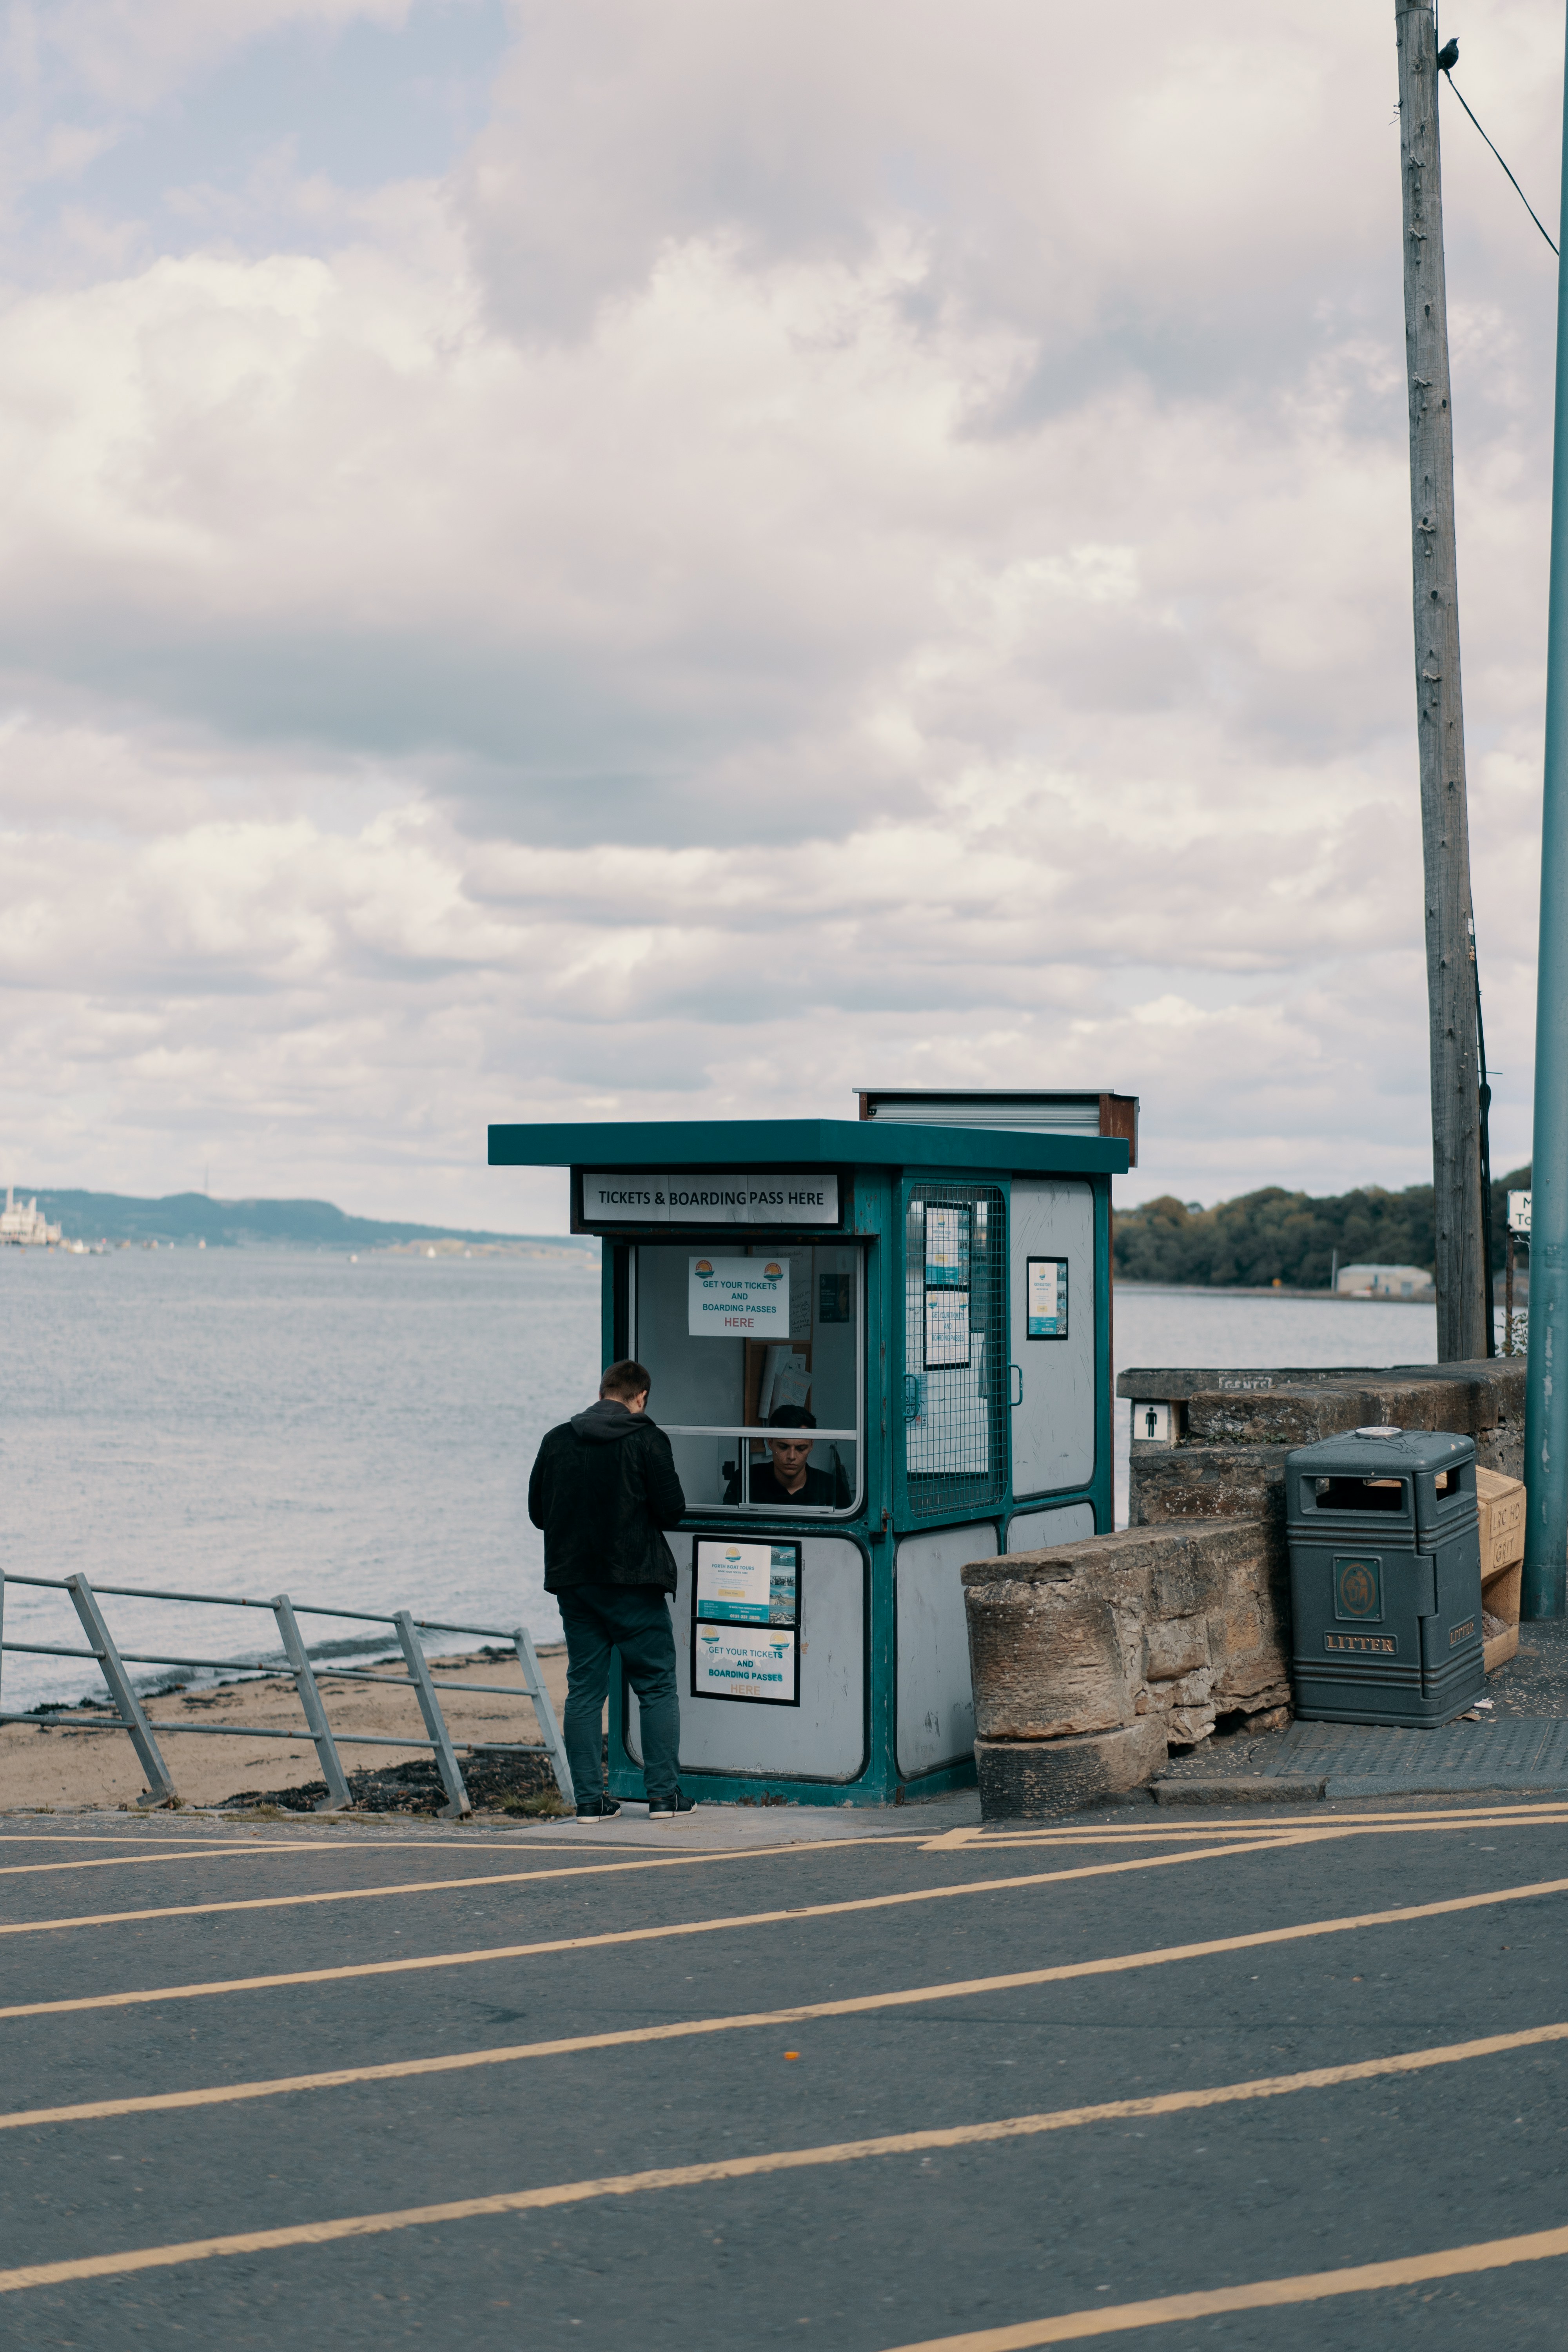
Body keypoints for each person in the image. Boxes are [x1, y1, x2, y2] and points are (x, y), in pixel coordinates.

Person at [528, 1358, 695, 1821]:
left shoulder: (556, 1440)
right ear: (640, 1397)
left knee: (584, 1690)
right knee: (656, 1685)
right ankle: (663, 1796)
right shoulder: (647, 1438)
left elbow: (539, 1514)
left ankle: (588, 1802)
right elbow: (673, 1511)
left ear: (602, 1392)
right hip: (634, 1581)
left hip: (575, 1583)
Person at [723, 1403, 847, 1507]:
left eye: (801, 1448)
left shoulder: (833, 1487)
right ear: (770, 1443)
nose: (792, 1456)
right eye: (783, 1447)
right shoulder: (745, 1480)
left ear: (811, 1446)